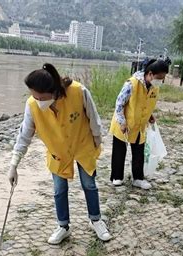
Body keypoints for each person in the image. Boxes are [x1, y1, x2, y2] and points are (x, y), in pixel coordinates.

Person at [8, 63, 111, 245]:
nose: (37, 100)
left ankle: (96, 220)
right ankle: (63, 226)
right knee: (59, 189)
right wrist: (14, 165)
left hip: (82, 144)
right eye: (34, 95)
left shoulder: (78, 92)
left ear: (53, 90)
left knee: (89, 184)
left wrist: (97, 140)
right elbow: (24, 135)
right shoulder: (32, 105)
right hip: (57, 152)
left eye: (40, 96)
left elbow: (93, 118)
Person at [109, 59, 169, 189]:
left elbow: (146, 104)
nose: (160, 81)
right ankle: (117, 176)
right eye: (159, 78)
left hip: (139, 124)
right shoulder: (132, 84)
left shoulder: (154, 87)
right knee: (119, 150)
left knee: (139, 151)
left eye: (163, 78)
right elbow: (119, 103)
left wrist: (150, 116)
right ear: (150, 74)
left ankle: (138, 178)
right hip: (124, 123)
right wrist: (122, 122)